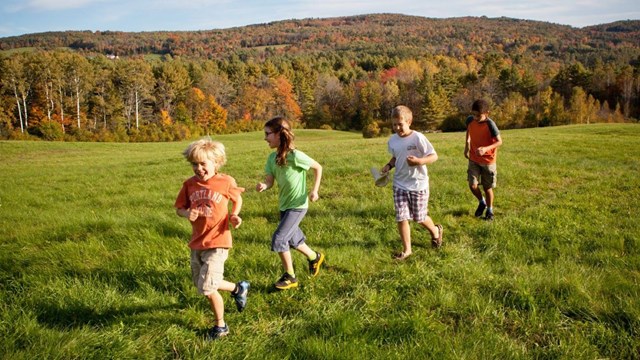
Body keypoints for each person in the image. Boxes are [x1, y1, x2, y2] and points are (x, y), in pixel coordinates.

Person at [174, 138, 249, 340]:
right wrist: (186, 213)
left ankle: (221, 326)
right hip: (198, 241)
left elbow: (237, 198)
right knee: (201, 283)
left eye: (203, 164)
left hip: (218, 240)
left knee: (207, 288)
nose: (198, 168)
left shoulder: (225, 181)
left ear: (216, 162)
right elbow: (179, 208)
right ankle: (238, 288)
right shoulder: (189, 184)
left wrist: (235, 215)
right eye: (194, 164)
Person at [256, 116, 325, 290]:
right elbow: (270, 181)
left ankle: (290, 276)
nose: (265, 138)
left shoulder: (296, 155)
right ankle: (314, 257)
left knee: (279, 239)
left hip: (297, 205)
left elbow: (318, 167)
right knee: (294, 240)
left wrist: (314, 190)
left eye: (268, 134)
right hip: (284, 206)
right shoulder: (272, 158)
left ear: (279, 134)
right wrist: (264, 185)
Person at [380, 105, 443, 261]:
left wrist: (420, 161)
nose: (397, 128)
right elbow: (396, 157)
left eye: (400, 124)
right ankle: (407, 250)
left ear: (409, 121)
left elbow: (434, 156)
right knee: (401, 217)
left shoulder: (418, 138)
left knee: (419, 217)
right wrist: (388, 166)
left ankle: (435, 231)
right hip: (399, 184)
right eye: (394, 125)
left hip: (418, 185)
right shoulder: (393, 140)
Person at [464, 99, 503, 220]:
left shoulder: (490, 124)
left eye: (478, 115)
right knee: (472, 185)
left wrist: (486, 149)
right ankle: (482, 202)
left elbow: (499, 141)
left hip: (488, 161)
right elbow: (468, 131)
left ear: (487, 113)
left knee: (487, 188)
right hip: (474, 159)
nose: (475, 117)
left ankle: (490, 211)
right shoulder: (470, 120)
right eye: (473, 114)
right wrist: (467, 145)